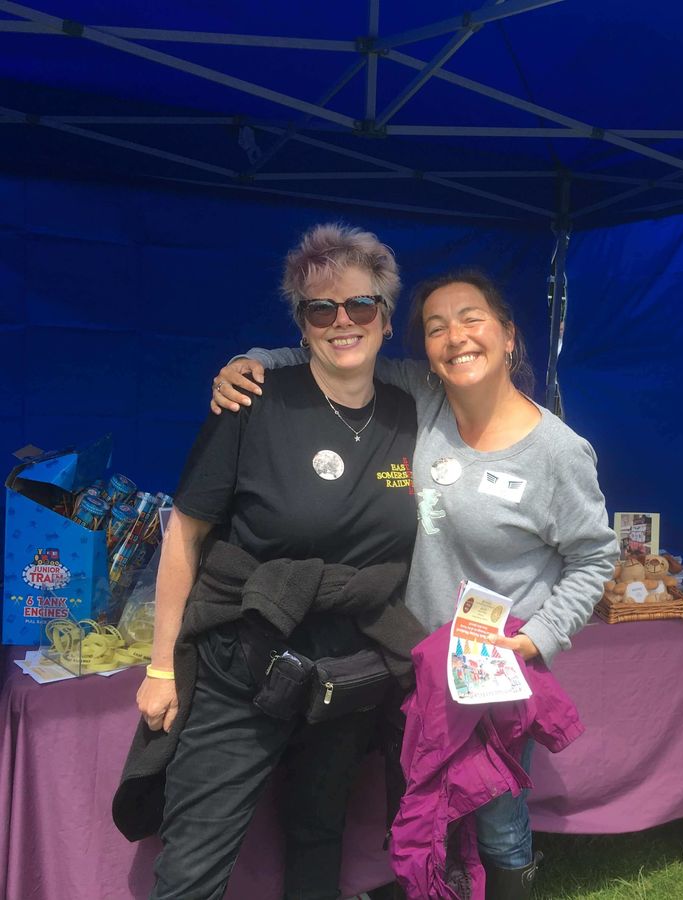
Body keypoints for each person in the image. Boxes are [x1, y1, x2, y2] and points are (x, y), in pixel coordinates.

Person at [210, 268, 618, 898]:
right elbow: (337, 351)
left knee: (497, 815)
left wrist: (538, 638)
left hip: (491, 670)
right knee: (421, 803)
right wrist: (251, 361)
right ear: (425, 349)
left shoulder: (557, 451)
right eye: (436, 327)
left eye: (471, 319)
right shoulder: (421, 394)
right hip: (409, 656)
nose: (456, 337)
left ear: (509, 335)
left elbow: (594, 558)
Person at [114, 223, 425, 900]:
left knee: (318, 835)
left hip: (349, 671)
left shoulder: (411, 410)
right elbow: (184, 536)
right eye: (322, 308)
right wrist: (162, 665)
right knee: (194, 859)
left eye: (360, 305)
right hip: (244, 663)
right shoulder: (252, 401)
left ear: (386, 316)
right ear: (302, 323)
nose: (343, 321)